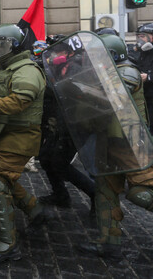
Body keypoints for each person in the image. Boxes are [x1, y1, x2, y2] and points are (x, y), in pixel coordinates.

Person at [77, 34, 153, 259]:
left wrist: (88, 90)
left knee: (142, 192)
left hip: (131, 143)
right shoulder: (106, 73)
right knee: (105, 191)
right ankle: (108, 241)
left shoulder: (127, 71)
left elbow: (115, 96)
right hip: (109, 141)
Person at [0, 24, 50, 262]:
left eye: (1, 46)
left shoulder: (26, 70)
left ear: (14, 46)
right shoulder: (11, 67)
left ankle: (8, 244)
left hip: (20, 135)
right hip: (7, 132)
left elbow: (17, 102)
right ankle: (35, 209)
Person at [37, 37, 95, 212]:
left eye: (59, 52)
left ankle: (95, 193)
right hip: (60, 124)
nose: (54, 55)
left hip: (76, 125)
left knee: (60, 163)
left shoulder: (77, 69)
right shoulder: (57, 68)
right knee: (45, 158)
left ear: (70, 53)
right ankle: (60, 195)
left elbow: (75, 93)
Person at [133, 23, 153, 133]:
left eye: (142, 36)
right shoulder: (141, 52)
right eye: (138, 37)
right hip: (144, 96)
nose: (140, 40)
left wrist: (149, 77)